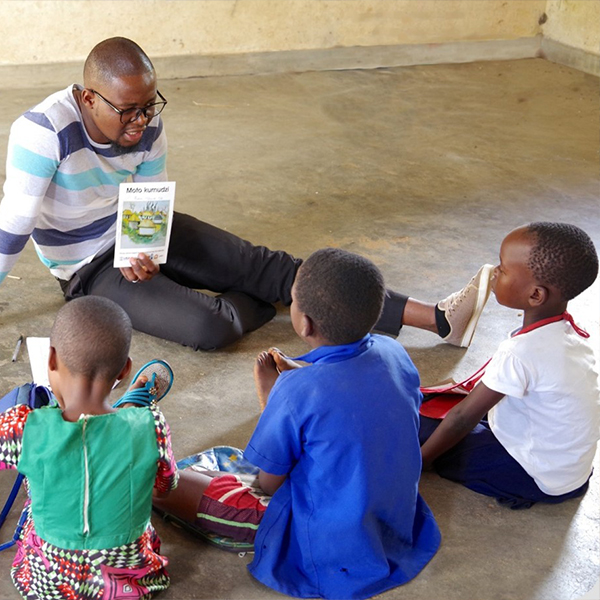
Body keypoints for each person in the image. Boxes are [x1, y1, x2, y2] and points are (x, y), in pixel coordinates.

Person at [0, 36, 491, 351]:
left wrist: (142, 247)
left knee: (265, 264)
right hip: (87, 266)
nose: (143, 121)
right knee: (210, 328)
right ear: (89, 97)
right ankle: (281, 298)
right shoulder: (42, 133)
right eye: (129, 110)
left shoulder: (148, 125)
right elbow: (14, 225)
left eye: (150, 105)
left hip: (137, 229)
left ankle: (438, 320)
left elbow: (148, 197)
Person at [154, 248, 441, 600]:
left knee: (162, 483)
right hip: (392, 516)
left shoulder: (297, 391)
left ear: (304, 323)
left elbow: (266, 485)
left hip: (327, 539)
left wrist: (276, 399)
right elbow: (352, 396)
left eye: (291, 300)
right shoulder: (393, 352)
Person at [0, 296, 178, 599]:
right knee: (131, 437)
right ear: (124, 369)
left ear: (51, 359)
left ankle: (121, 406)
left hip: (48, 585)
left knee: (36, 499)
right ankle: (132, 403)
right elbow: (164, 488)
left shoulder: (23, 427)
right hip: (127, 585)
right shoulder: (152, 426)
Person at [420, 222, 600, 509]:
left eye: (502, 269)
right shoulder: (567, 336)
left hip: (533, 477)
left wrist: (422, 462)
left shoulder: (523, 352)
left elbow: (463, 418)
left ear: (535, 296)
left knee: (421, 425)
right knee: (434, 404)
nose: (494, 272)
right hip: (568, 473)